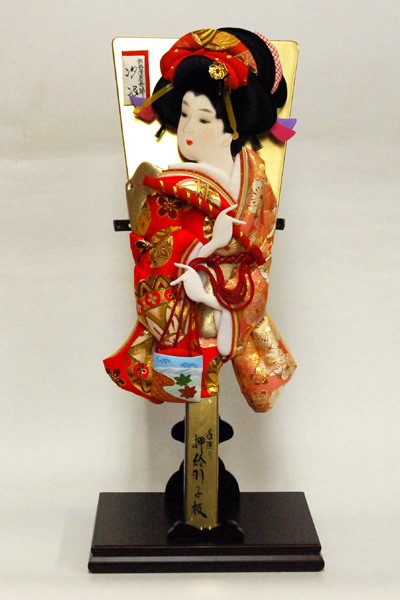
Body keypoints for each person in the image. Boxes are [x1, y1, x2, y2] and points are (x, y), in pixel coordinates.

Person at [104, 28, 296, 412]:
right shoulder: (167, 188)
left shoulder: (255, 183)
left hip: (230, 309)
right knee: (190, 392)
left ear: (232, 128)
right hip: (185, 316)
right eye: (185, 114)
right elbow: (152, 254)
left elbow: (260, 259)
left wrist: (216, 290)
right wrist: (209, 251)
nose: (188, 130)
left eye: (204, 120)